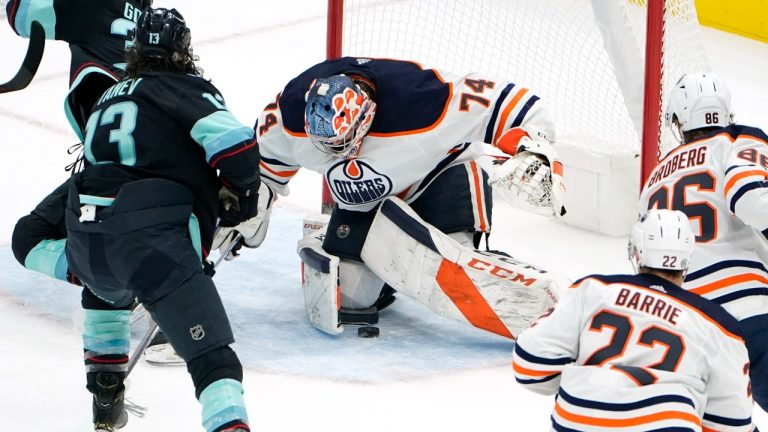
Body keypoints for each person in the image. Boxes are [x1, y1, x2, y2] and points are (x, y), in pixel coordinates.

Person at [215, 57, 568, 339]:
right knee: (352, 300)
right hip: (366, 203)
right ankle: (347, 250)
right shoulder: (287, 116)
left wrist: (531, 149)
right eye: (327, 148)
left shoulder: (424, 99)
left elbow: (516, 104)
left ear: (366, 115)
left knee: (461, 270)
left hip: (440, 181)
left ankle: (544, 295)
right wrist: (245, 206)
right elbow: (264, 170)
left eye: (343, 144)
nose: (338, 156)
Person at [63, 7, 260, 432]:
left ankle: (105, 397)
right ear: (181, 51)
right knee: (214, 363)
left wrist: (70, 263)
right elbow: (237, 146)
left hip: (87, 239)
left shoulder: (104, 98)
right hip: (151, 245)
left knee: (105, 293)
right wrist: (243, 198)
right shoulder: (182, 87)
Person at [513, 209, 754, 431]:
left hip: (580, 420)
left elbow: (530, 365)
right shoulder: (718, 324)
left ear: (635, 251)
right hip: (665, 424)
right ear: (687, 259)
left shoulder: (593, 289)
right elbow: (732, 422)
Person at [638, 72, 768, 411]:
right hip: (751, 312)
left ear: (680, 120)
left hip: (688, 328)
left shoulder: (654, 177)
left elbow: (642, 261)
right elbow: (752, 202)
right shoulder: (739, 140)